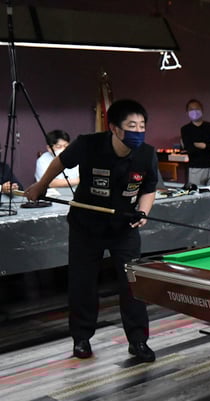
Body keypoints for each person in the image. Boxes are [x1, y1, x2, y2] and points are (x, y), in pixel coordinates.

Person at [24, 99, 158, 363]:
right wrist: (41, 186)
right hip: (86, 226)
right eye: (132, 126)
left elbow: (149, 188)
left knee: (132, 283)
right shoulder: (88, 144)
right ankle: (81, 338)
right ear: (114, 128)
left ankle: (138, 341)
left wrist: (143, 212)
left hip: (123, 227)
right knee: (82, 283)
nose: (138, 131)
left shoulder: (146, 154)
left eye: (142, 126)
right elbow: (60, 162)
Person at [180, 99, 210, 187]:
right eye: (191, 109)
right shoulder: (185, 129)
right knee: (196, 193)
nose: (194, 111)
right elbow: (190, 150)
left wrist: (205, 146)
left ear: (202, 110)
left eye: (197, 108)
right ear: (187, 112)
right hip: (196, 168)